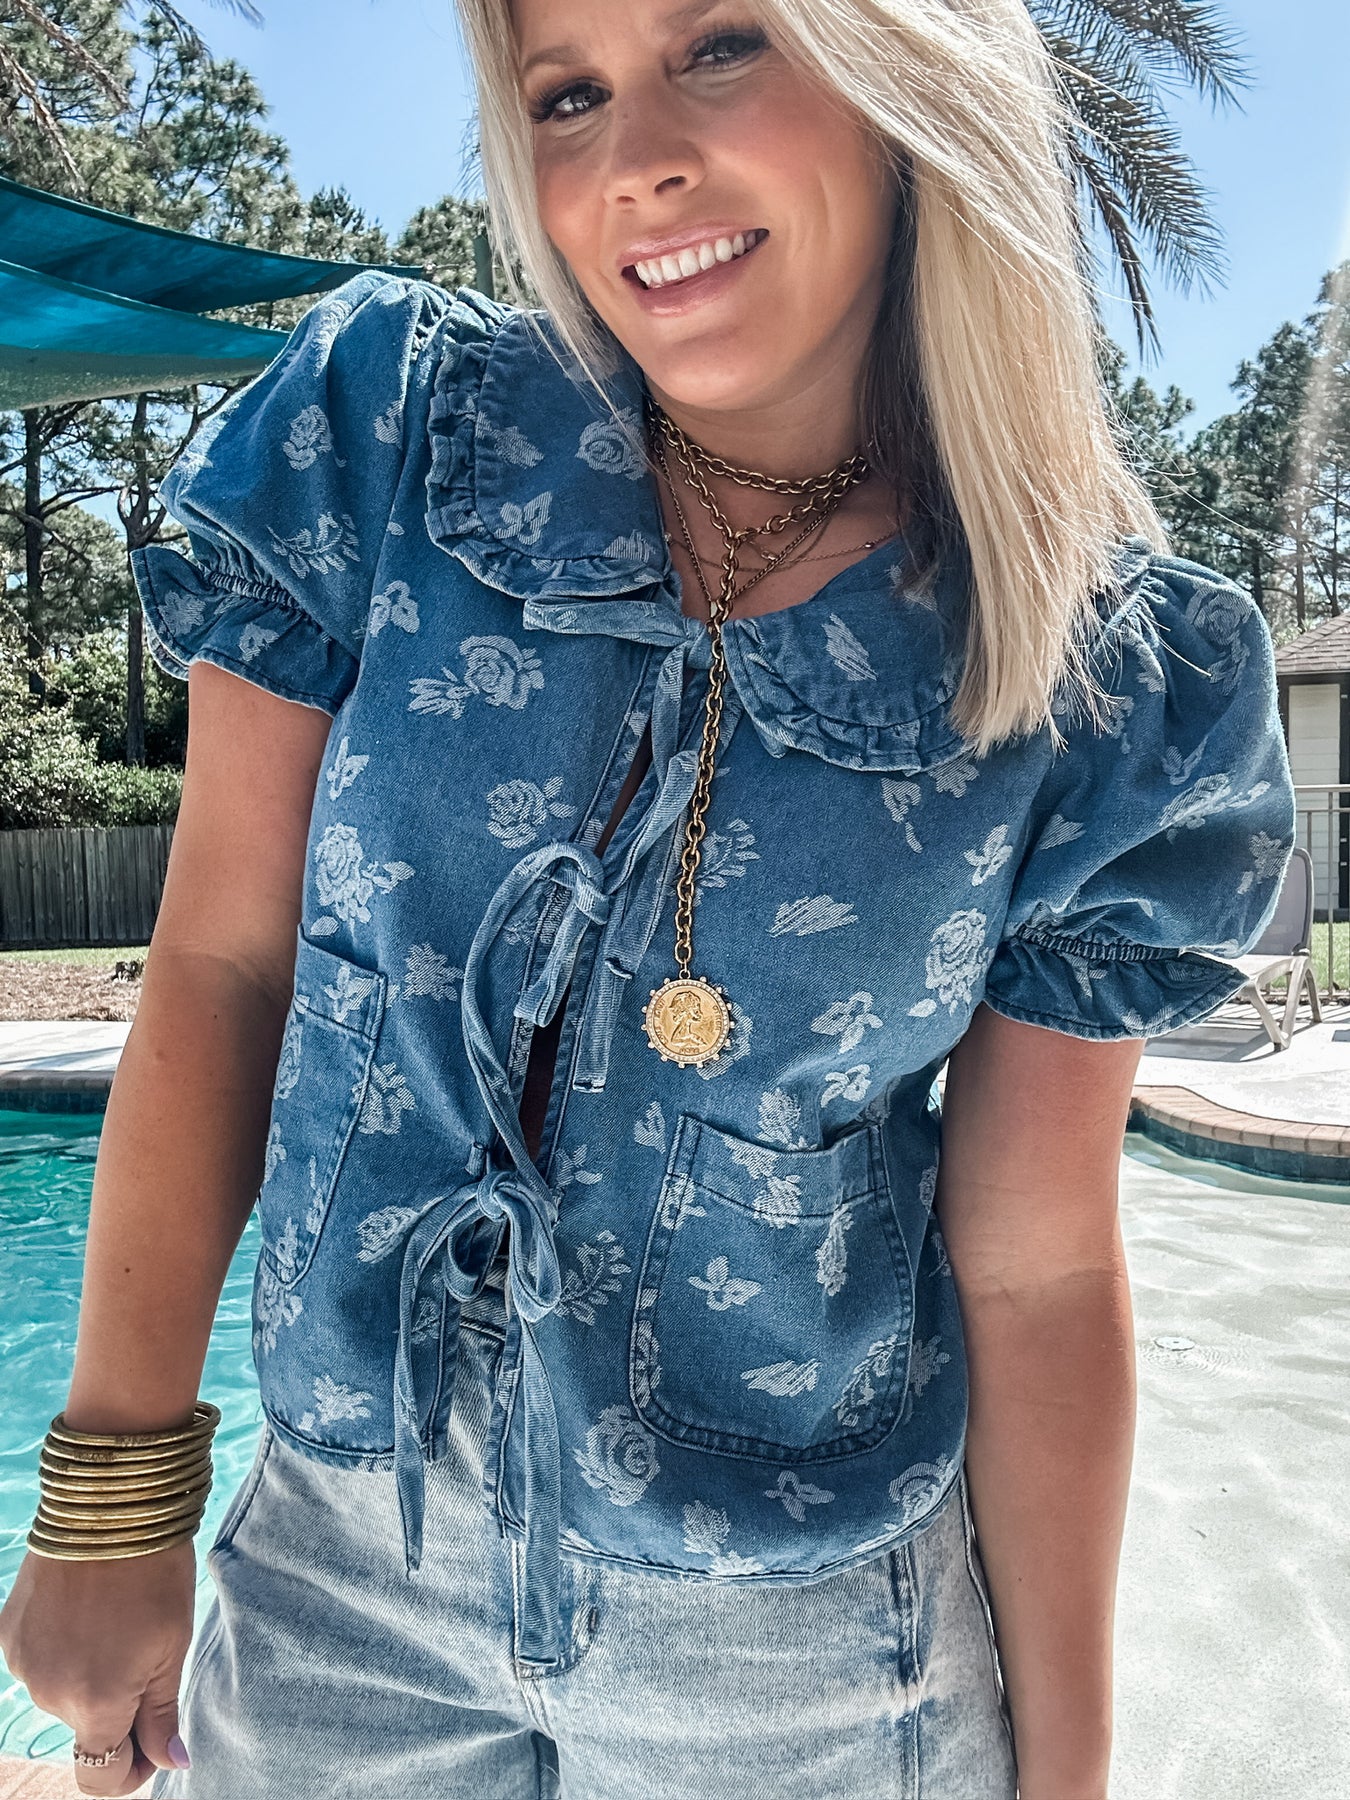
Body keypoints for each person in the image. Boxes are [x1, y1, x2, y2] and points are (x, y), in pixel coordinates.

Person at [0, 1, 1298, 1796]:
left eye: (722, 45)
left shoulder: (1107, 677)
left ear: (914, 78)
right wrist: (114, 1493)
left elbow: (1040, 1262)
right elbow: (226, 968)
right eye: (566, 94)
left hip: (806, 1654)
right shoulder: (390, 438)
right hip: (338, 1587)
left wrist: (1064, 1774)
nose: (633, 164)